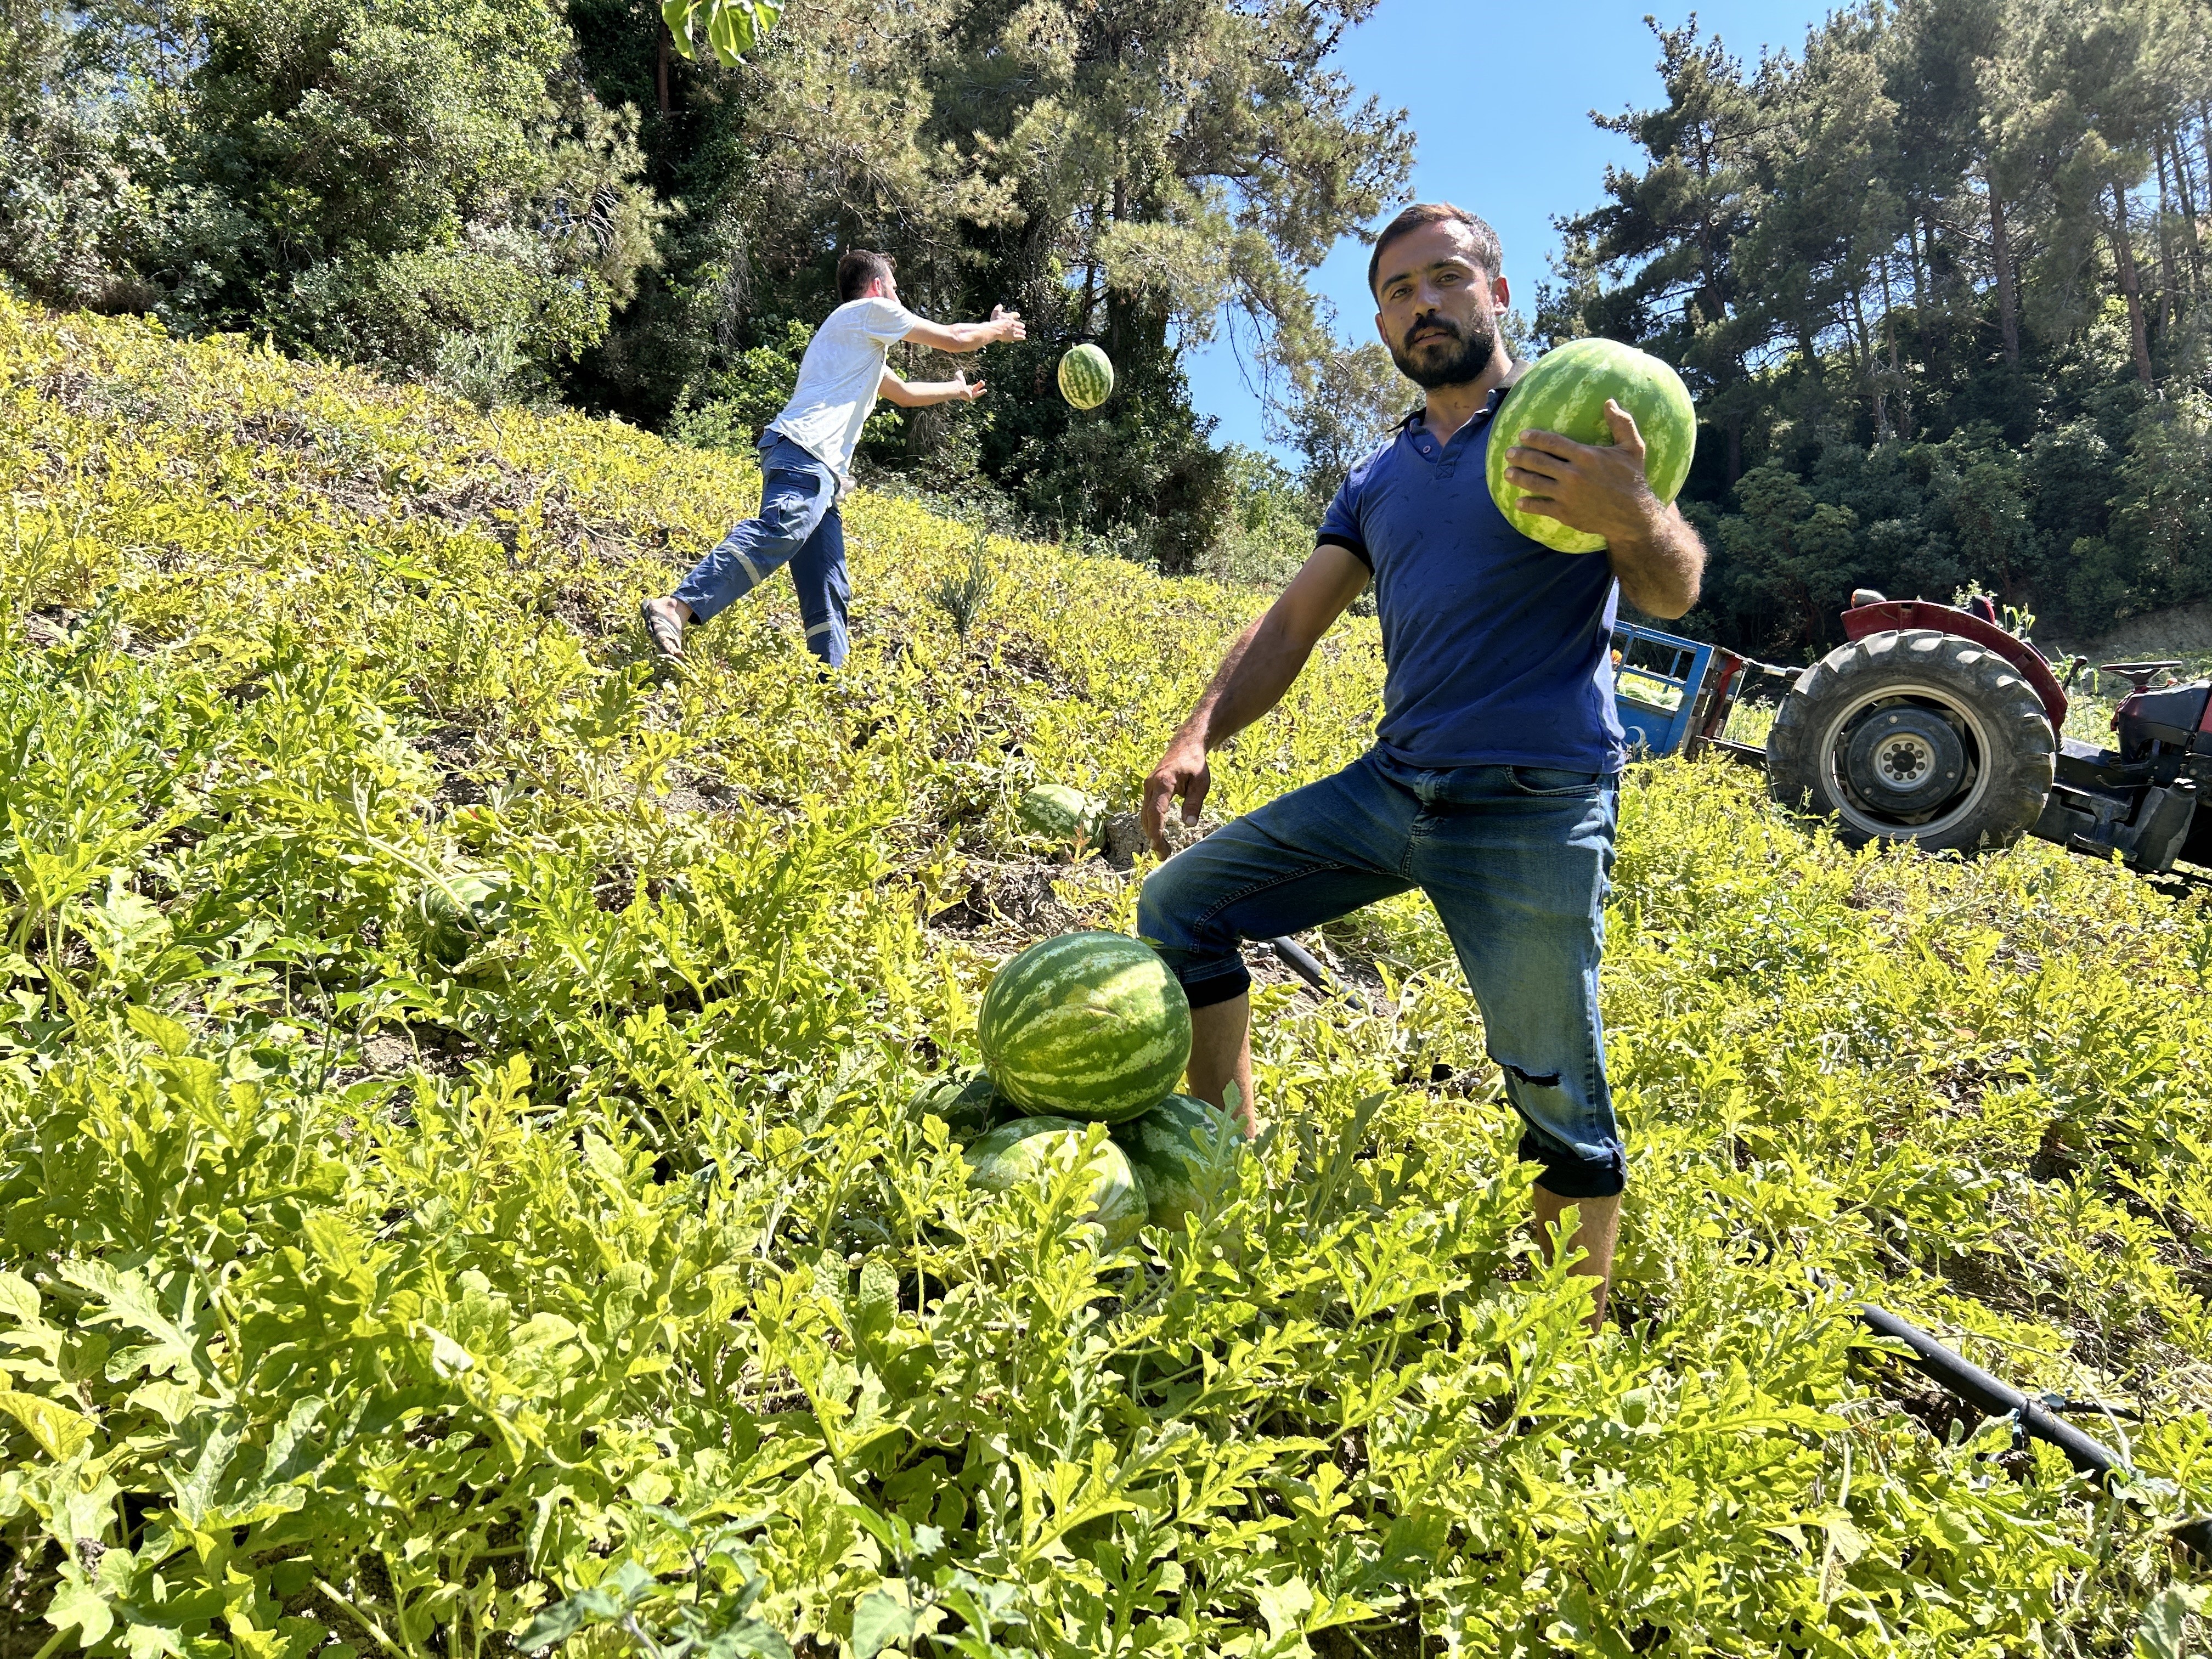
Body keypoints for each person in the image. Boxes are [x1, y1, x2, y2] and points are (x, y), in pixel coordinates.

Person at [1136, 202, 1705, 1329]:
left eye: (1446, 279)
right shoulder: (1379, 478)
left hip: (1536, 806)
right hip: (1395, 789)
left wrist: (1632, 510)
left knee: (1555, 1081)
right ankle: (1225, 1166)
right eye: (1397, 292)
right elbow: (1293, 625)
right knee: (1183, 905)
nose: (1422, 304)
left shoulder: (1566, 430)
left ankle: (1561, 1339)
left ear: (1498, 296)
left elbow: (1672, 589)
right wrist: (1200, 729)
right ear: (1385, 327)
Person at [640, 250, 1026, 667]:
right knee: (782, 529)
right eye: (896, 290)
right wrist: (996, 329)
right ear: (878, 287)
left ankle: (831, 680)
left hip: (819, 471)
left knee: (828, 581)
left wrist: (958, 391)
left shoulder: (857, 344)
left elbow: (905, 394)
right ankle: (676, 606)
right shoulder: (869, 310)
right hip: (804, 454)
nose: (898, 299)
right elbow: (954, 338)